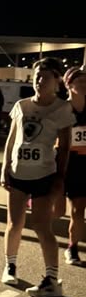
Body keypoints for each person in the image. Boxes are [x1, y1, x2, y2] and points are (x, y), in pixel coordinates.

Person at [0, 57, 74, 297]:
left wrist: (60, 178)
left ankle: (52, 279)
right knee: (14, 223)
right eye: (37, 76)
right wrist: (5, 167)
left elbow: (65, 147)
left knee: (42, 226)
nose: (39, 81)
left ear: (57, 81)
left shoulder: (62, 109)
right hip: (18, 172)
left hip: (44, 174)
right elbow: (12, 139)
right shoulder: (21, 106)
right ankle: (10, 266)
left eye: (45, 77)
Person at [62, 65, 86, 265]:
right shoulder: (62, 110)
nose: (84, 84)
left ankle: (73, 247)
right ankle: (72, 247)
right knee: (76, 210)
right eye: (79, 81)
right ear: (68, 85)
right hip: (72, 167)